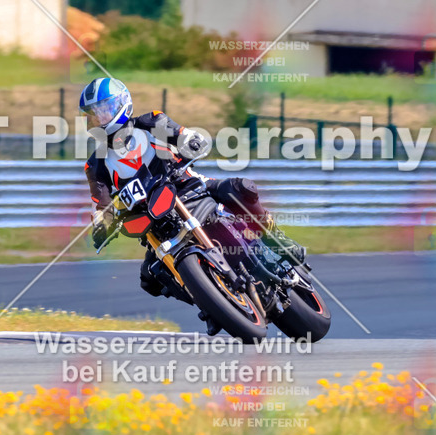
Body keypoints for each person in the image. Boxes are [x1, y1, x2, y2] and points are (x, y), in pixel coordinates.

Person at [78, 77, 305, 298]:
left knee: (239, 188)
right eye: (93, 114)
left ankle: (275, 238)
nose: (99, 118)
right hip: (155, 220)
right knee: (150, 279)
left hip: (187, 186)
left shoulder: (151, 121)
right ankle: (207, 299)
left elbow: (180, 134)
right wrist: (102, 224)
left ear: (120, 103)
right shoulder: (95, 164)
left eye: (103, 109)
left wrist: (190, 141)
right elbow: (101, 204)